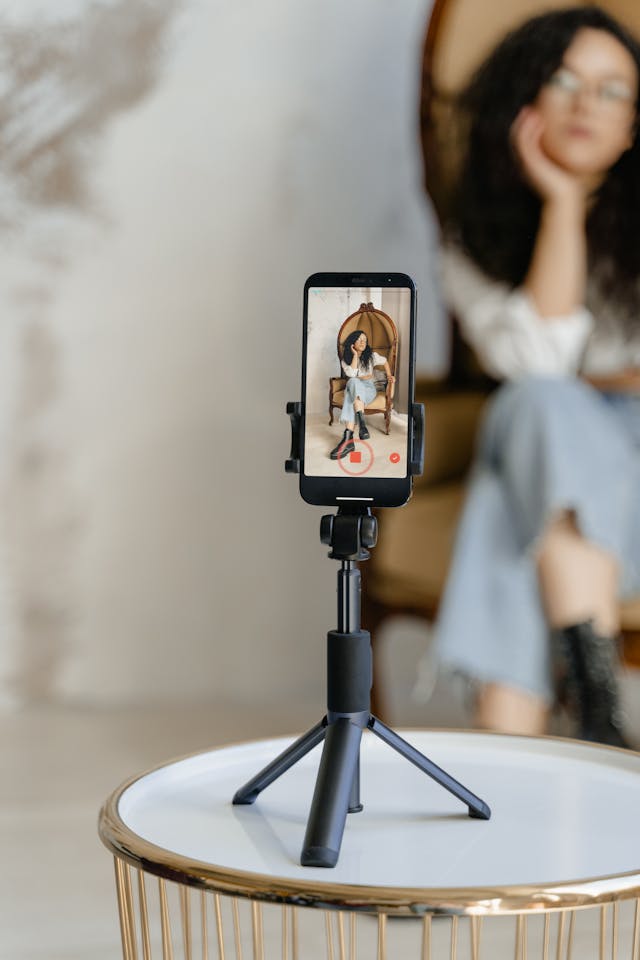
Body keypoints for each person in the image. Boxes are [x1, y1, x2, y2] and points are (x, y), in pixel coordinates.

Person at [434, 6, 640, 746]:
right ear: (525, 98)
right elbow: (542, 367)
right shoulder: (474, 237)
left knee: (510, 482)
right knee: (537, 407)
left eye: (614, 90)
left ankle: (511, 754)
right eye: (565, 80)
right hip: (553, 448)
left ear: (635, 125)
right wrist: (559, 204)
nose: (589, 104)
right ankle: (594, 706)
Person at [330, 330, 395, 459]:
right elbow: (352, 375)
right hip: (353, 385)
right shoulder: (346, 360)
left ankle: (347, 440)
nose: (363, 342)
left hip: (368, 389)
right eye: (359, 339)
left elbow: (385, 361)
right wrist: (355, 355)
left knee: (350, 395)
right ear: (352, 342)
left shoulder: (371, 356)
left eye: (365, 340)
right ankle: (362, 425)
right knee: (354, 381)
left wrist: (389, 376)